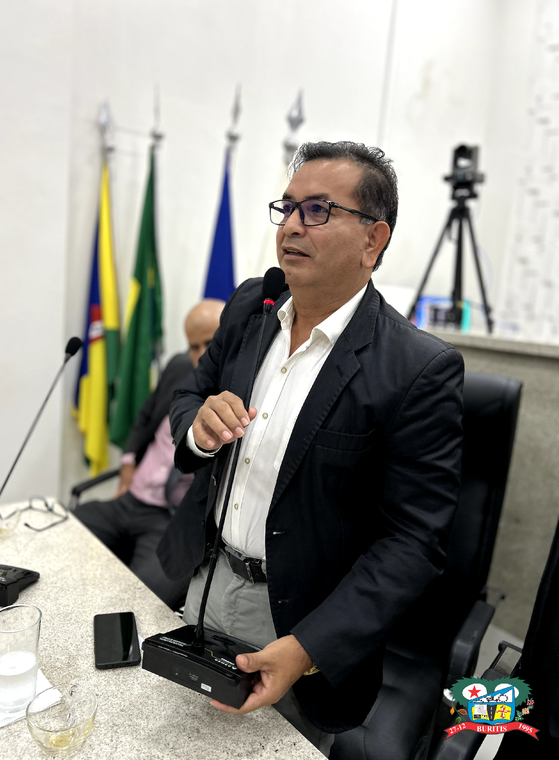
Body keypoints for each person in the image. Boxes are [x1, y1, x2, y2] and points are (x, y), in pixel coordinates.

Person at [158, 141, 464, 754]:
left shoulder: (417, 368)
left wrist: (307, 648)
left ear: (373, 240)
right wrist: (198, 428)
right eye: (288, 207)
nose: (292, 225)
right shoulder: (252, 304)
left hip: (302, 625)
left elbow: (412, 542)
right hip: (206, 576)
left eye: (318, 210)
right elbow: (190, 396)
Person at [74, 299, 224, 608]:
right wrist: (127, 465)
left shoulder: (241, 397)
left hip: (171, 517)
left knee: (140, 602)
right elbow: (146, 415)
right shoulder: (180, 368)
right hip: (129, 498)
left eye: (210, 343)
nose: (200, 355)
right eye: (193, 346)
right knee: (57, 533)